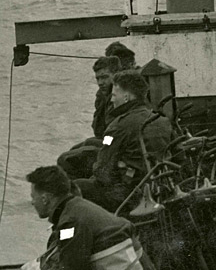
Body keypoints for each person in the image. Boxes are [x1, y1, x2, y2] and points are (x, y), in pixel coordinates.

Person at [74, 71, 174, 213]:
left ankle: (71, 233)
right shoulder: (162, 120)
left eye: (114, 95)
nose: (111, 100)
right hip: (159, 186)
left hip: (128, 193)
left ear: (126, 97)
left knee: (75, 187)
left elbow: (102, 171)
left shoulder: (116, 127)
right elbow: (178, 155)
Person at [24, 165, 151, 270]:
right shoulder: (77, 207)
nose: (32, 202)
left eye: (33, 197)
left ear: (45, 198)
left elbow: (73, 267)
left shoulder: (71, 222)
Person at [58, 56, 123, 180]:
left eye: (104, 77)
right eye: (98, 78)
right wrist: (102, 99)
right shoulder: (104, 95)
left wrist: (105, 144)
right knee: (77, 149)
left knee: (66, 159)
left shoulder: (118, 97)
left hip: (114, 145)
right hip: (108, 140)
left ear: (116, 75)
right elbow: (98, 129)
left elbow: (113, 134)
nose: (100, 83)